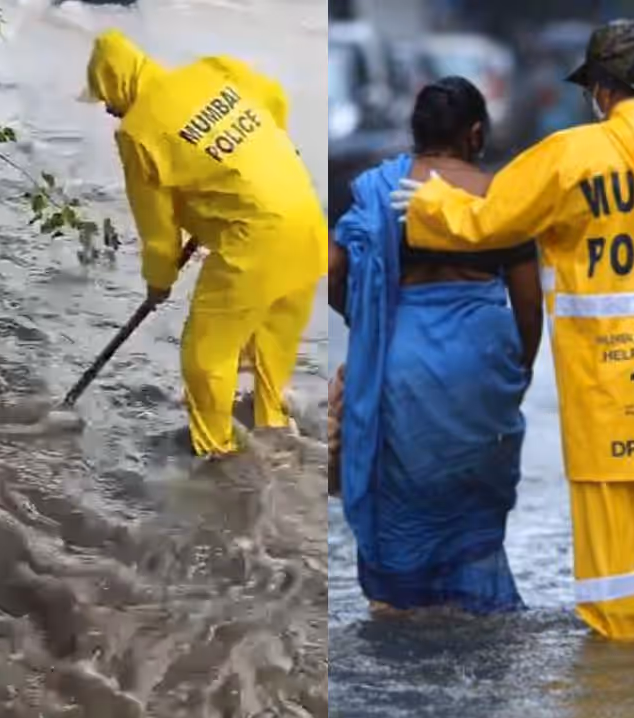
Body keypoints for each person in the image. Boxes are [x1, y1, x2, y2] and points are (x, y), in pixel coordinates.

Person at [391, 20, 634, 640]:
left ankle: (628, 692)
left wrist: (430, 205)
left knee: (621, 600)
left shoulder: (570, 157)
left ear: (604, 92)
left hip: (610, 411)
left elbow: (487, 224)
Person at [327, 77, 542, 614]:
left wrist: (370, 323)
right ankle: (469, 604)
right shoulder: (499, 195)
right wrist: (520, 370)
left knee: (402, 489)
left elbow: (333, 270)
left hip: (402, 353)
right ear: (475, 134)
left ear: (416, 132)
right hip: (483, 359)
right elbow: (529, 303)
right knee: (472, 494)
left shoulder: (381, 190)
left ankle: (401, 607)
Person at [81, 29, 326, 457]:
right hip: (306, 216)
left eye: (106, 100)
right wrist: (249, 166)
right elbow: (276, 100)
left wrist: (159, 282)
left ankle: (219, 458)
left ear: (116, 84)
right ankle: (276, 434)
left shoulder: (138, 133)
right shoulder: (215, 70)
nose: (109, 109)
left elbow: (158, 233)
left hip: (255, 238)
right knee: (271, 347)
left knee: (205, 357)